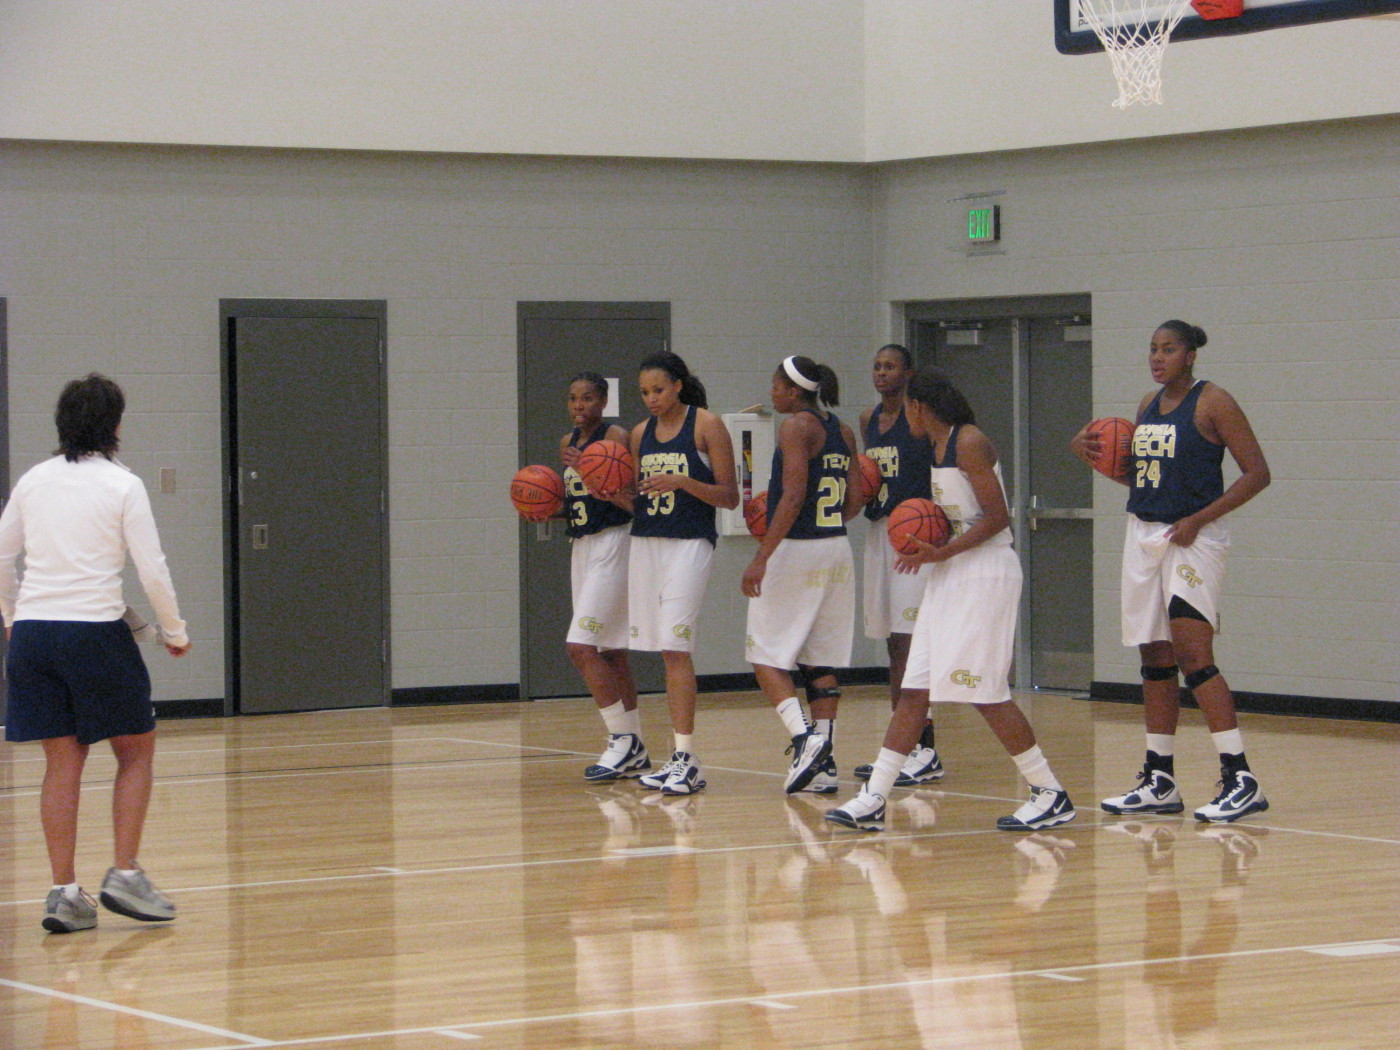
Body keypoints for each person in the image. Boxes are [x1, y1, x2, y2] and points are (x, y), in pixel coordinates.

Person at [827, 369, 1074, 833]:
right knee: (915, 690)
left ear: (921, 407)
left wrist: (941, 551)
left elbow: (998, 517)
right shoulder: (937, 446)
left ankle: (1049, 793)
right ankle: (874, 797)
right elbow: (951, 520)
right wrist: (922, 548)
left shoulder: (969, 441)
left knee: (984, 692)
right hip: (950, 573)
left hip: (986, 575)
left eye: (907, 410)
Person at [0, 374, 191, 933]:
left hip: (34, 637)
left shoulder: (34, 481)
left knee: (62, 762)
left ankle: (64, 893)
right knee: (135, 752)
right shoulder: (122, 485)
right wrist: (174, 631)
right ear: (114, 426)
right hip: (93, 635)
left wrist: (13, 619)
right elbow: (152, 569)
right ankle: (125, 875)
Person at [1072, 320, 1271, 824]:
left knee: (1193, 653)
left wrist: (1199, 519)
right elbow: (1144, 478)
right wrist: (1092, 457)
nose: (1158, 358)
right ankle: (1159, 777)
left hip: (1196, 538)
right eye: (1153, 349)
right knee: (1155, 656)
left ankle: (1240, 777)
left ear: (1190, 356)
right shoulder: (1145, 406)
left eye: (1168, 350)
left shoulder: (1214, 402)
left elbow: (1258, 473)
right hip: (1145, 533)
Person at [741, 356, 863, 794]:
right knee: (818, 659)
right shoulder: (842, 429)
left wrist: (762, 556)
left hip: (797, 549)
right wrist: (830, 522)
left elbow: (792, 496)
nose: (772, 393)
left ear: (794, 391)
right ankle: (825, 763)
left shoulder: (795, 428)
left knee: (765, 655)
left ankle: (804, 738)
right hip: (835, 547)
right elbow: (858, 496)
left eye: (776, 386)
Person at [627, 352, 738, 795]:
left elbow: (730, 497)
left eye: (657, 390)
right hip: (646, 543)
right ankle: (676, 757)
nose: (651, 399)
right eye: (644, 393)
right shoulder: (640, 434)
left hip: (689, 544)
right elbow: (638, 494)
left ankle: (687, 757)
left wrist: (684, 482)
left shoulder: (707, 425)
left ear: (677, 385)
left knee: (676, 646)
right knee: (659, 649)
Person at [855, 344, 941, 787]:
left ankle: (923, 747)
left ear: (908, 372)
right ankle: (899, 745)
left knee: (911, 642)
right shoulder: (869, 420)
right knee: (892, 643)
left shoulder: (920, 418)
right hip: (879, 533)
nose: (881, 372)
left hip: (916, 535)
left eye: (889, 366)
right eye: (877, 365)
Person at [558, 373, 647, 781]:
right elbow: (577, 502)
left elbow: (634, 504)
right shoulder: (567, 443)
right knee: (612, 651)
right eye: (573, 398)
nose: (579, 405)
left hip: (616, 541)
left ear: (604, 400)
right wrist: (547, 507)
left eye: (588, 397)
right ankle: (637, 748)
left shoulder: (618, 437)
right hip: (583, 545)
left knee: (580, 646)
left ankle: (621, 740)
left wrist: (601, 482)